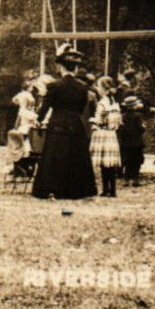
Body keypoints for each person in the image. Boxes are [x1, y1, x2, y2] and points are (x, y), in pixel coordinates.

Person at [31, 45, 97, 201]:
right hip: (75, 123)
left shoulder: (54, 86)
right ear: (75, 68)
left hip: (58, 123)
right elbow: (81, 108)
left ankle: (52, 188)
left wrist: (38, 120)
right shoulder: (82, 88)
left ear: (60, 66)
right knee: (76, 157)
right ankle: (77, 190)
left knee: (55, 157)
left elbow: (45, 107)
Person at [89, 76, 124, 198]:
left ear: (104, 89)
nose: (97, 88)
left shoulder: (102, 102)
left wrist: (92, 120)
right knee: (110, 163)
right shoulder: (114, 102)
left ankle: (105, 189)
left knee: (105, 163)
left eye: (99, 86)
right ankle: (112, 190)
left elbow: (99, 119)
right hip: (111, 134)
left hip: (103, 133)